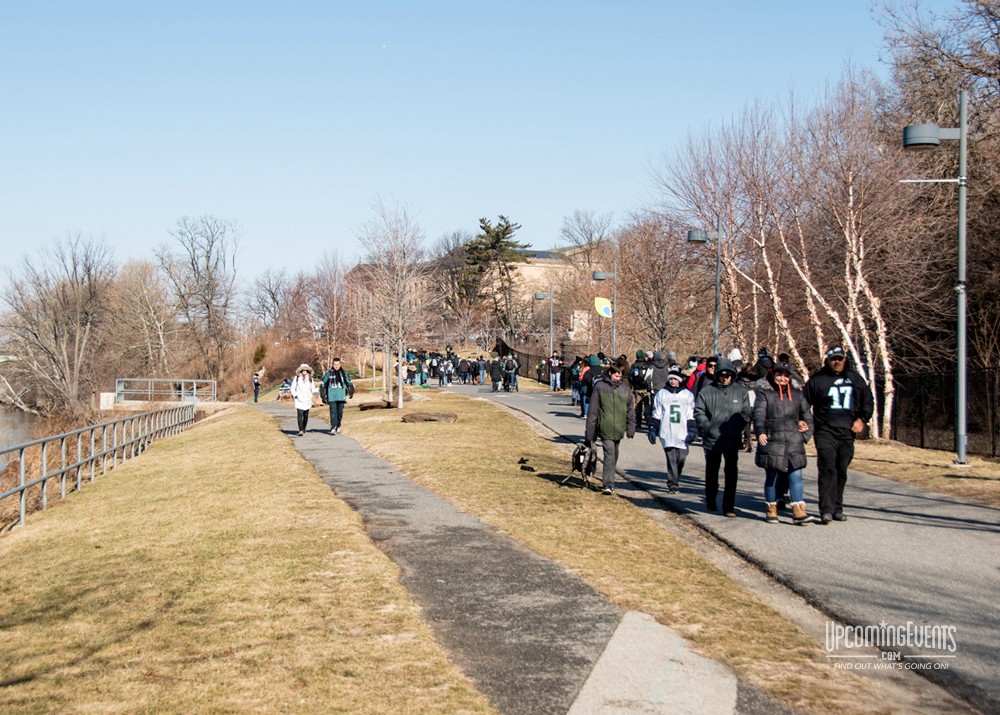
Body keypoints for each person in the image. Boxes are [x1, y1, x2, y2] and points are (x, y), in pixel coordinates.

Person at [804, 346, 875, 524]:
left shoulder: (855, 379)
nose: (837, 362)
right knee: (828, 468)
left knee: (841, 469)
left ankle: (837, 508)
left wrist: (862, 419)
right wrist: (803, 420)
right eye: (833, 358)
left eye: (840, 358)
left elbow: (868, 400)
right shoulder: (818, 380)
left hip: (847, 432)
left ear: (845, 359)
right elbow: (803, 402)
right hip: (825, 430)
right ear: (827, 360)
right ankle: (826, 510)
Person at [753, 362, 816, 524]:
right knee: (772, 477)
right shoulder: (764, 393)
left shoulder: (797, 394)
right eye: (779, 375)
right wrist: (760, 431)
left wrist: (804, 435)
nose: (782, 379)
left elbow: (808, 417)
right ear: (773, 375)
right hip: (772, 440)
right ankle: (771, 508)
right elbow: (759, 414)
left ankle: (798, 511)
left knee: (796, 476)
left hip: (794, 441)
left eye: (786, 375)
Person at [694, 358, 752, 516]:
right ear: (717, 375)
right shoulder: (707, 391)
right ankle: (711, 500)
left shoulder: (741, 392)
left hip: (732, 439)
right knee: (712, 472)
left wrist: (737, 428)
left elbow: (746, 413)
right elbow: (699, 411)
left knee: (731, 472)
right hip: (713, 439)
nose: (725, 378)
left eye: (728, 375)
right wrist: (708, 428)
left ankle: (729, 506)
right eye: (722, 375)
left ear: (733, 375)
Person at [585, 361, 636, 495]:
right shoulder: (600, 387)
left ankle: (610, 477)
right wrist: (589, 434)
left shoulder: (625, 389)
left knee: (614, 455)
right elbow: (592, 412)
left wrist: (631, 427)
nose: (618, 379)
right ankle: (608, 484)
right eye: (616, 376)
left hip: (619, 428)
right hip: (605, 428)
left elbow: (630, 410)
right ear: (610, 373)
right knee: (609, 454)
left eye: (620, 377)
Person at [649, 367, 696, 494]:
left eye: (675, 379)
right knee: (671, 459)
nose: (673, 382)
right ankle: (672, 484)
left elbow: (690, 414)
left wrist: (692, 429)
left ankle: (676, 477)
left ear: (680, 380)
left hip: (682, 431)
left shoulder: (687, 394)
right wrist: (653, 428)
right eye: (671, 379)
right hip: (667, 431)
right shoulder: (661, 394)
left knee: (681, 458)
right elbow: (657, 413)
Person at [321, 357, 355, 435]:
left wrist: (351, 391)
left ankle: (338, 425)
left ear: (340, 364)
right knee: (333, 412)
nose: (336, 366)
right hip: (332, 396)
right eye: (335, 364)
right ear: (332, 365)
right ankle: (333, 427)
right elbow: (323, 383)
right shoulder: (328, 374)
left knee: (339, 413)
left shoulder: (344, 373)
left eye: (338, 364)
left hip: (341, 396)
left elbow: (349, 383)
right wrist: (323, 395)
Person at [290, 364, 317, 436]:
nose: (304, 372)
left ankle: (304, 428)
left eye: (306, 370)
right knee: (300, 413)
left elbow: (313, 388)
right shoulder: (297, 378)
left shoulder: (310, 379)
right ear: (301, 371)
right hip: (299, 398)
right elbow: (292, 388)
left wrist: (319, 389)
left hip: (307, 398)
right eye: (303, 370)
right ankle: (300, 430)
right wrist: (295, 395)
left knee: (306, 415)